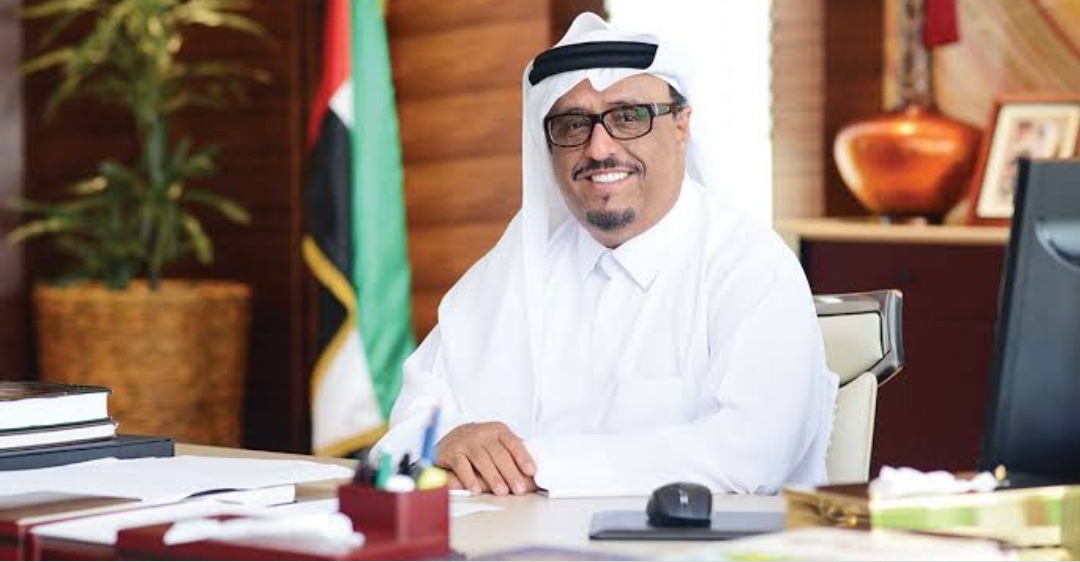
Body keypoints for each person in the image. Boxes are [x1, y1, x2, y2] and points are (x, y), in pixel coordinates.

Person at [373, 12, 837, 497]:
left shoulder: (751, 267)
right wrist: (445, 443)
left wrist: (532, 466)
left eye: (628, 117)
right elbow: (409, 428)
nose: (598, 148)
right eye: (573, 124)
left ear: (681, 127)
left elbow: (749, 456)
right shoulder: (513, 270)